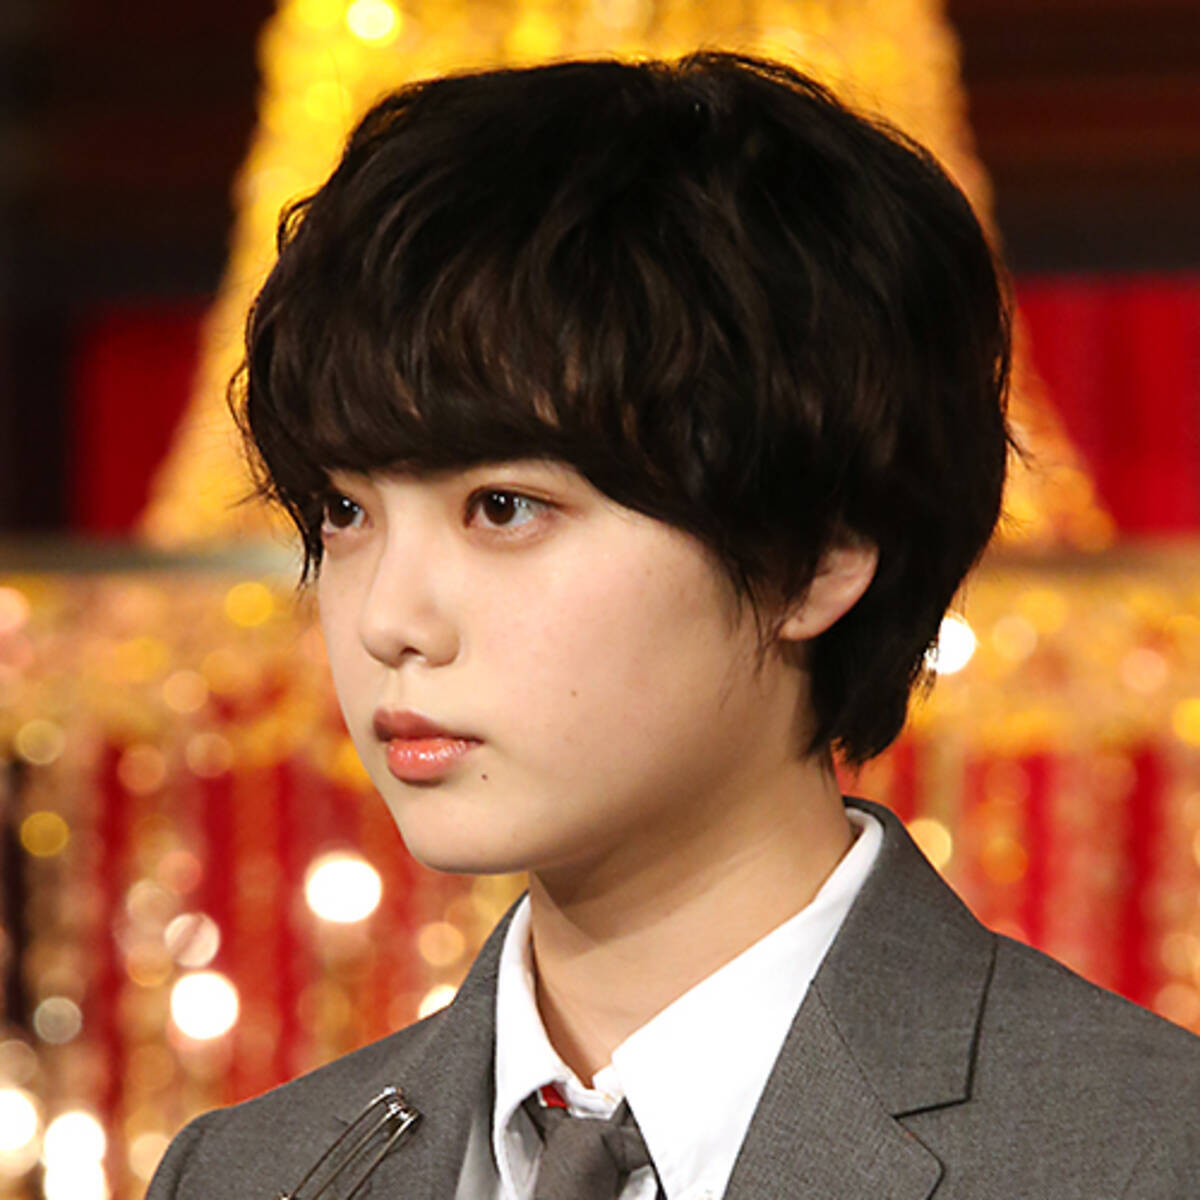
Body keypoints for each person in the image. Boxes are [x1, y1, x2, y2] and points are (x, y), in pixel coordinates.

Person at [148, 51, 1199, 1199]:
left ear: (815, 557)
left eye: (504, 508)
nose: (389, 621)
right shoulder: (245, 1174)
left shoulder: (1142, 1154)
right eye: (346, 512)